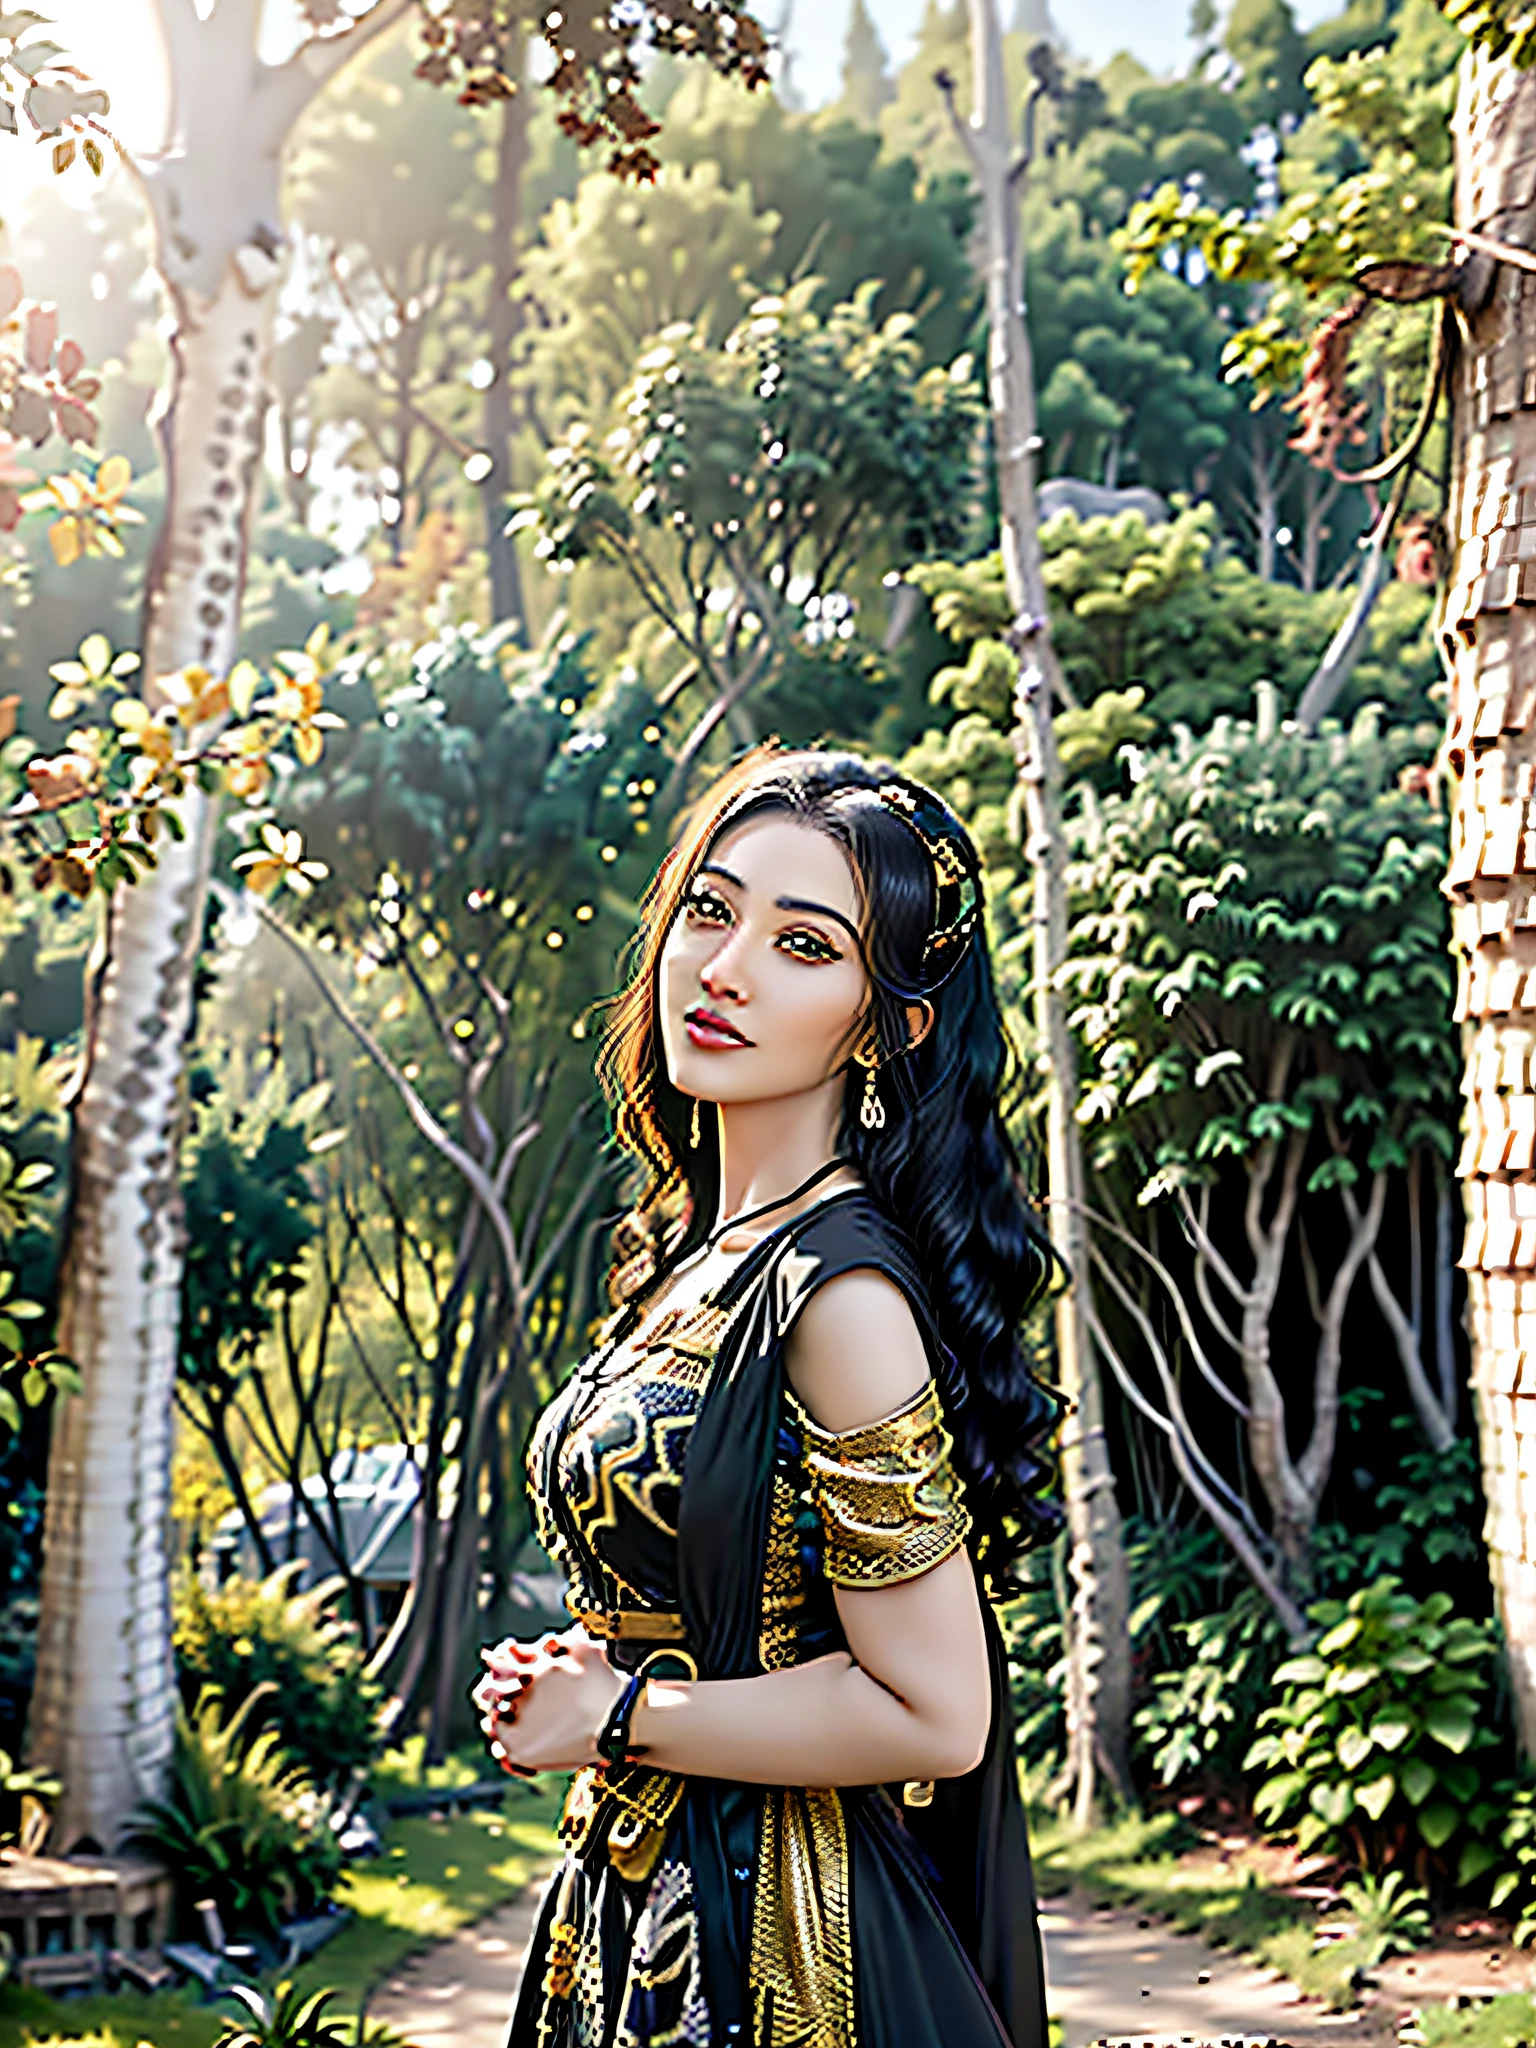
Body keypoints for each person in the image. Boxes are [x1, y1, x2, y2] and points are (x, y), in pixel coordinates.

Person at [476, 747, 1059, 2048]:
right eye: (711, 911)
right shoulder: (699, 1255)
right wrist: (595, 1672)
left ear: (888, 1021)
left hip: (783, 1951)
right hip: (638, 1906)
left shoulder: (838, 1297)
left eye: (804, 945)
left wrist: (620, 1714)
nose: (725, 968)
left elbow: (936, 1712)